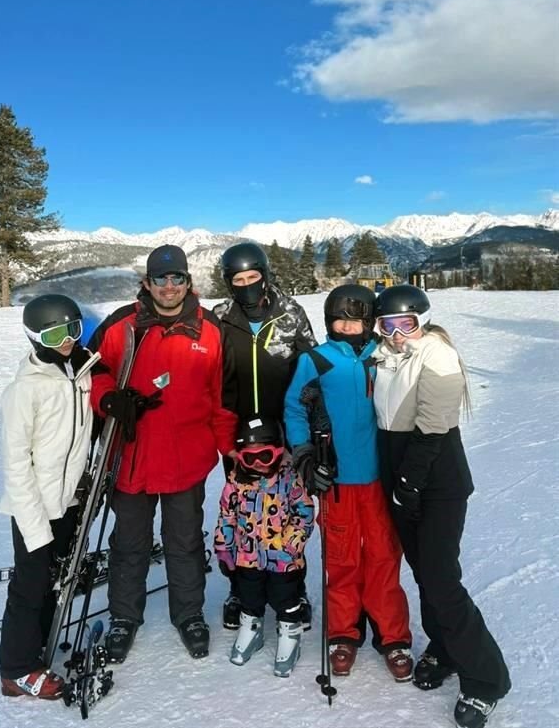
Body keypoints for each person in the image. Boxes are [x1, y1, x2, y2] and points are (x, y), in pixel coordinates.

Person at [88, 244, 237, 663]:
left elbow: (222, 398)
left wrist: (229, 453)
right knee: (130, 543)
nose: (169, 287)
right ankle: (123, 617)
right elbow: (94, 371)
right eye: (160, 279)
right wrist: (110, 401)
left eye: (177, 279)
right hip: (131, 456)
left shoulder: (210, 330)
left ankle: (188, 615)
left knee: (185, 541)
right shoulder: (123, 325)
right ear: (147, 283)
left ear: (188, 282)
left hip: (186, 459)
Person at [372, 284, 511, 728]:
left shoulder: (436, 355)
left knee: (441, 579)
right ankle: (446, 648)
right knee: (424, 573)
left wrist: (410, 483)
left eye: (405, 324)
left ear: (423, 321)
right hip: (402, 482)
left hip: (438, 483)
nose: (396, 334)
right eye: (388, 324)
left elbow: (433, 429)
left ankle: (487, 679)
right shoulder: (384, 357)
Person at [284, 284, 413, 683]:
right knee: (341, 560)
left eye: (355, 320)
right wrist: (305, 456)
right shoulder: (316, 360)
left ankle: (393, 637)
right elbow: (295, 409)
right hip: (336, 482)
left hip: (379, 480)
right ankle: (343, 633)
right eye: (339, 319)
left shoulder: (383, 356)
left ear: (369, 321)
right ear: (328, 322)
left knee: (383, 557)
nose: (347, 326)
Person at [0, 294, 102, 700]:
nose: (67, 341)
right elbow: (15, 464)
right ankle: (17, 670)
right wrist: (33, 520)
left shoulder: (80, 372)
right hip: (34, 505)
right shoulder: (24, 390)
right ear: (34, 338)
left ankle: (38, 645)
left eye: (73, 330)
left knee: (55, 579)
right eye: (56, 334)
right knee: (30, 584)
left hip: (68, 501)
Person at [212, 241, 317, 629]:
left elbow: (311, 367)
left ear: (265, 275)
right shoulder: (221, 317)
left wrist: (313, 419)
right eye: (237, 280)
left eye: (252, 277)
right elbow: (210, 373)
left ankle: (292, 587)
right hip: (240, 438)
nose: (246, 286)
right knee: (241, 513)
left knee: (287, 512)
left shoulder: (290, 313)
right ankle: (242, 588)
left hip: (284, 433)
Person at [214, 417, 314, 677]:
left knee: (285, 596)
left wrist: (292, 544)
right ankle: (251, 628)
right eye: (250, 459)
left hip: (283, 559)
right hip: (248, 557)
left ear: (279, 452)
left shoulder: (289, 479)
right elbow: (227, 516)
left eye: (266, 456)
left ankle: (289, 632)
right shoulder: (235, 482)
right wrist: (224, 547)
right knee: (249, 594)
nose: (258, 464)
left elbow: (304, 512)